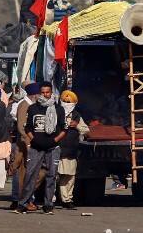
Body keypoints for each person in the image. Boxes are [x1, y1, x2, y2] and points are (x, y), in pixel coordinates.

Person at [19, 82, 66, 214]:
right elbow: (27, 127)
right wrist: (34, 139)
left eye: (48, 92)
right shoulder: (33, 108)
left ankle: (48, 204)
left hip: (53, 148)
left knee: (51, 176)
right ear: (39, 93)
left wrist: (54, 140)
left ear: (51, 93)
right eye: (43, 92)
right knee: (30, 175)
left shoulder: (58, 109)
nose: (45, 95)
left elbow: (63, 129)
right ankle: (23, 203)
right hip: (36, 147)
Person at [9, 83, 40, 208]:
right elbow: (21, 126)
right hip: (24, 144)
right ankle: (21, 199)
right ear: (34, 94)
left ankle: (24, 198)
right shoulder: (24, 105)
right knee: (22, 172)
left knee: (29, 172)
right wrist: (29, 140)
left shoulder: (31, 104)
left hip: (28, 142)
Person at [58, 109, 87, 209]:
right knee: (63, 176)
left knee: (71, 177)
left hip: (72, 151)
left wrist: (77, 125)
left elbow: (86, 130)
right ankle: (64, 199)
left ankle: (69, 198)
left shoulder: (76, 115)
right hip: (61, 150)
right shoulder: (58, 112)